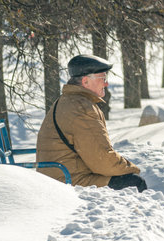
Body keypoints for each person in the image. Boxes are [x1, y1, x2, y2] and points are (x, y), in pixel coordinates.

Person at [36, 54, 147, 192]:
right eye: (103, 78)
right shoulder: (81, 108)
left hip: (59, 174)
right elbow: (101, 160)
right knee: (135, 183)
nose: (106, 83)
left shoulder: (71, 101)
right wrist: (132, 169)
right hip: (66, 180)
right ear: (85, 81)